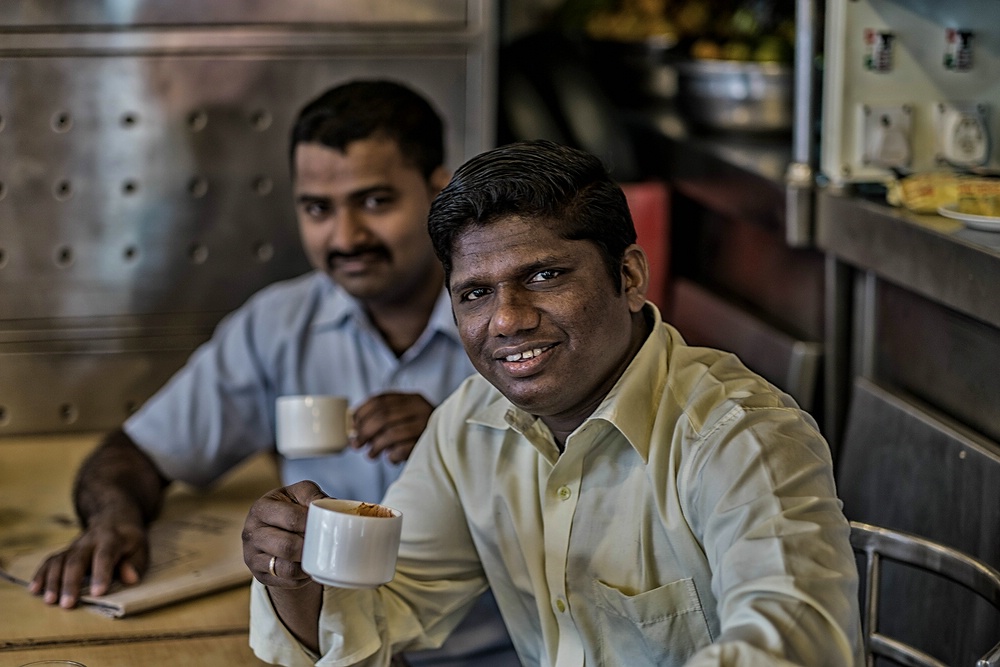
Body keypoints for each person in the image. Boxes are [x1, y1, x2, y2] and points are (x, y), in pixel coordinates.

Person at [243, 139, 865, 666]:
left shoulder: (739, 435)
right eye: (475, 294)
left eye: (545, 276)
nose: (507, 320)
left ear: (628, 277)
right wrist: (293, 576)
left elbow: (794, 645)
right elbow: (385, 608)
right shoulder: (471, 424)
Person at [29, 80, 517, 667]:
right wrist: (112, 522)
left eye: (375, 201)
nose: (345, 236)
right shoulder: (279, 325)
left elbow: (595, 492)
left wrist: (455, 438)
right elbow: (135, 454)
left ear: (440, 192)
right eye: (318, 208)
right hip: (327, 648)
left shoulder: (512, 320)